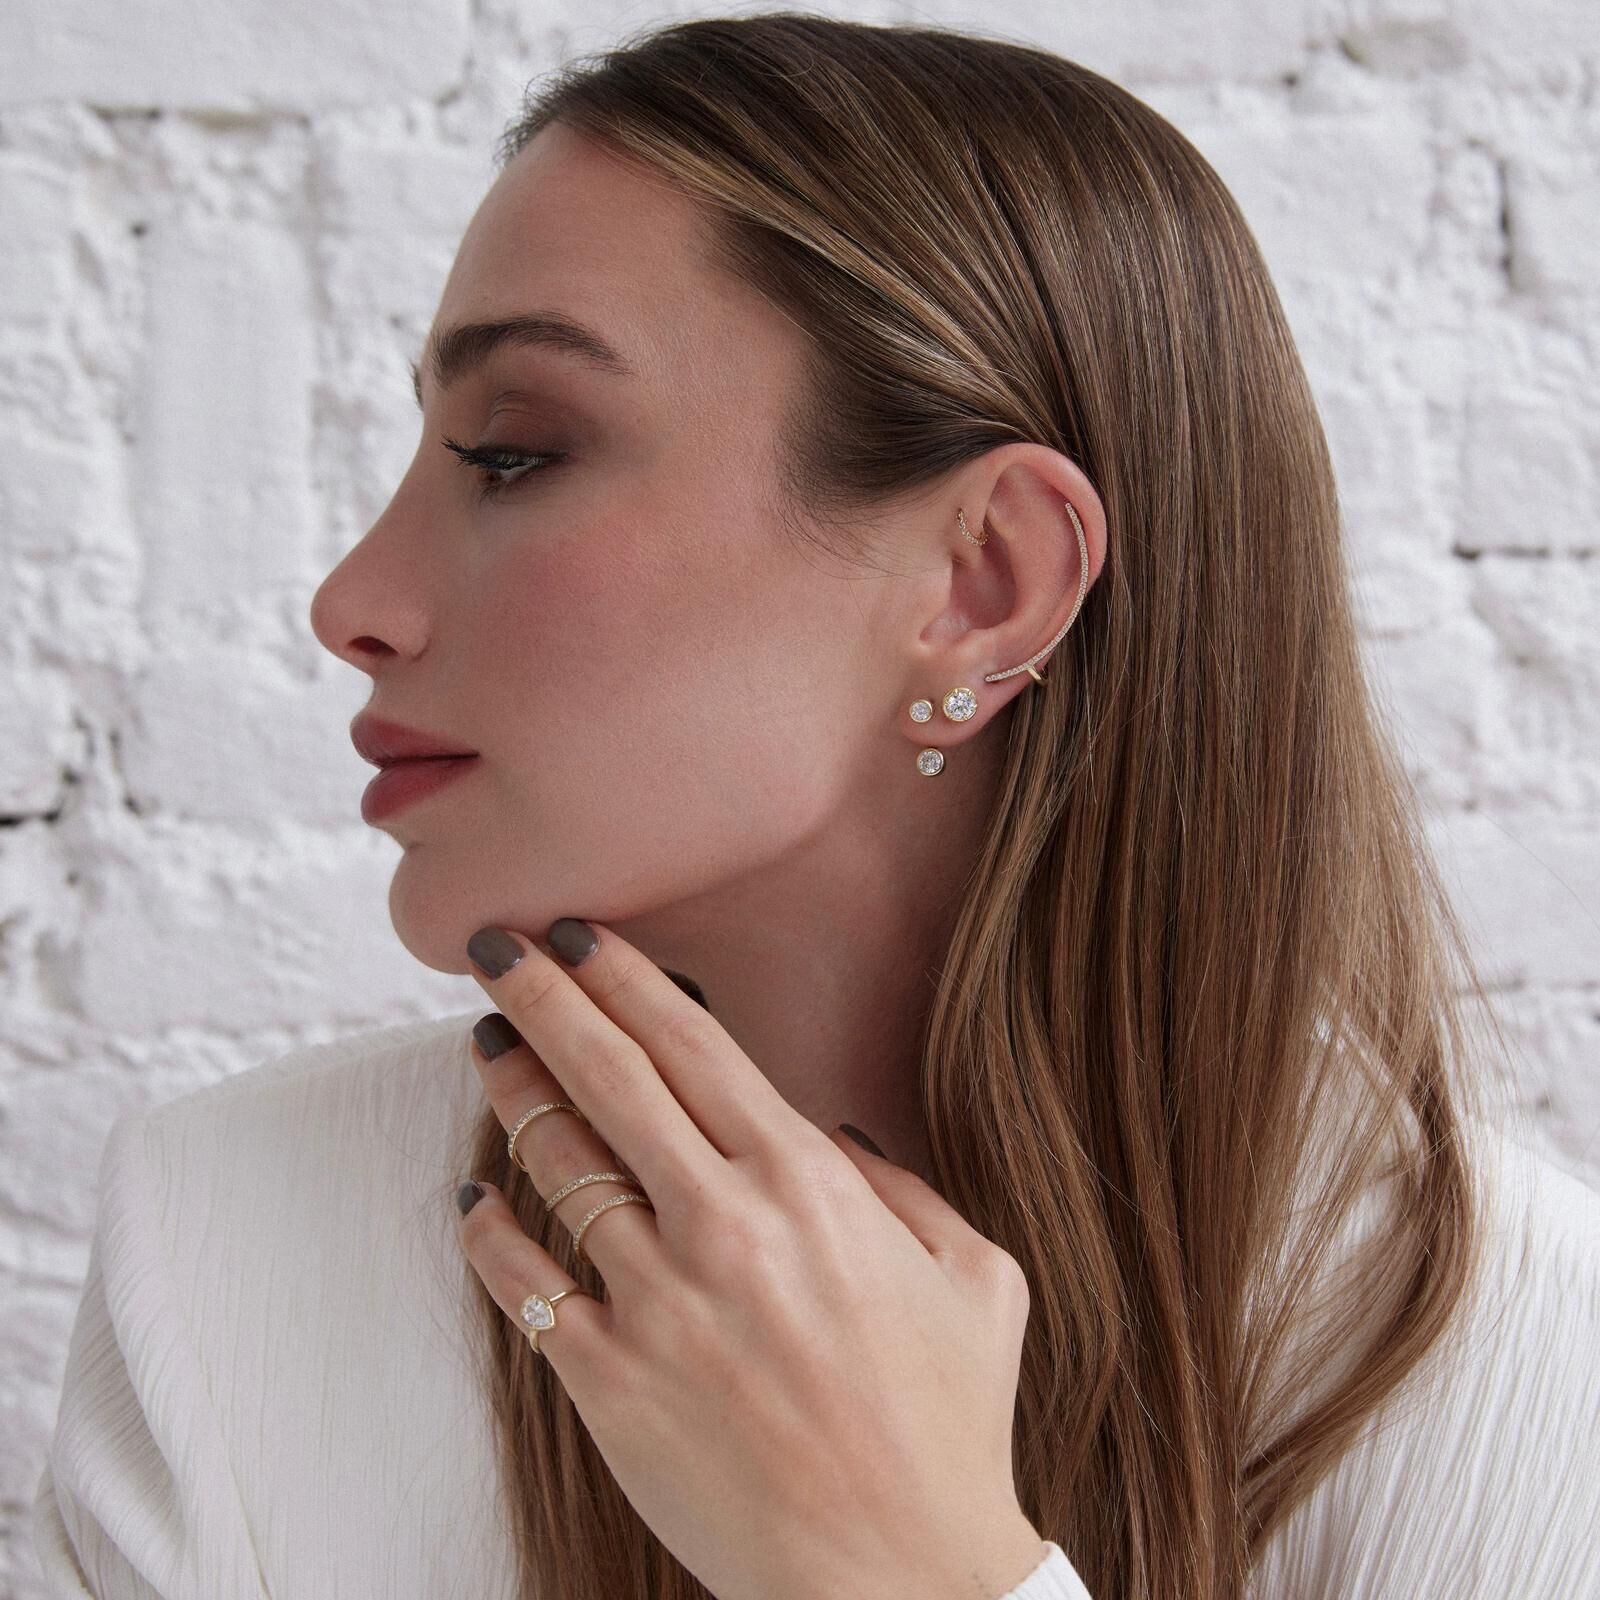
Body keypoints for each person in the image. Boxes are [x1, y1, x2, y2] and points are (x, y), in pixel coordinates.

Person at [31, 13, 1600, 1600]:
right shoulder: (219, 1257)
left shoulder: (1520, 1364)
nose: (350, 601)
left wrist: (912, 1570)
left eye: (512, 454)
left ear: (985, 582)